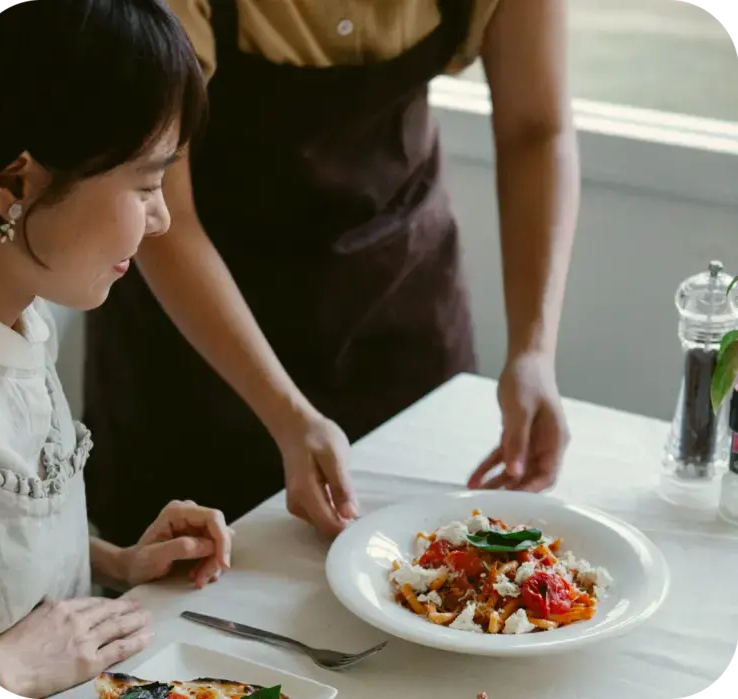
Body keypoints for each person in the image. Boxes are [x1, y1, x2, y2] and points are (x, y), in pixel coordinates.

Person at [84, 0, 578, 546]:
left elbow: (536, 129)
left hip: (400, 304)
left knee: (424, 569)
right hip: (197, 331)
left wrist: (533, 352)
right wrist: (287, 413)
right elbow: (162, 212)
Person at [0, 2, 233, 697]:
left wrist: (113, 565)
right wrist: (7, 667)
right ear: (16, 183)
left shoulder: (24, 319)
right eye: (146, 184)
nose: (162, 217)